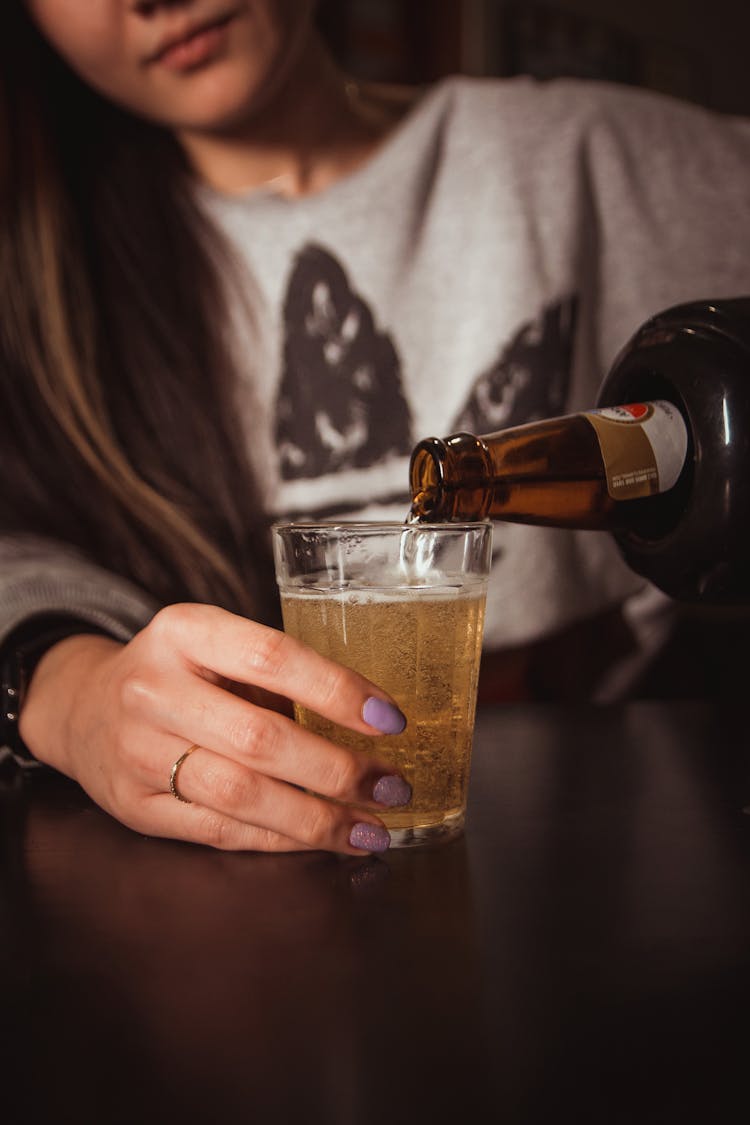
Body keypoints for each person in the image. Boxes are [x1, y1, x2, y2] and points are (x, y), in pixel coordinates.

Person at [2, 1, 750, 852]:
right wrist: (62, 680)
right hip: (236, 903)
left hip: (612, 851)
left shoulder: (586, 157)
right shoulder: (43, 268)